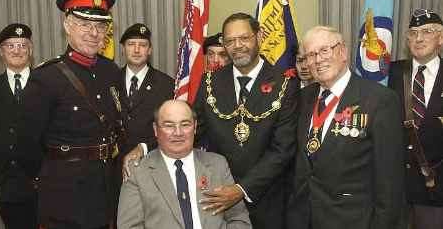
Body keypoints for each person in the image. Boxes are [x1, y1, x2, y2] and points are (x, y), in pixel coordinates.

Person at [22, 0, 124, 228]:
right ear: (67, 25)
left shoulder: (111, 71)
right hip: (63, 197)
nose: (93, 32)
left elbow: (119, 127)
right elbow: (27, 146)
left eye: (100, 25)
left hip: (106, 189)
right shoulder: (46, 78)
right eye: (84, 24)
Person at [286, 25, 406, 229]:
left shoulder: (380, 100)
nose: (317, 60)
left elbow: (390, 181)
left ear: (342, 52)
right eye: (310, 55)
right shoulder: (302, 98)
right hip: (303, 218)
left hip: (353, 220)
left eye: (324, 50)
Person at [193, 12, 299, 229]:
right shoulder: (210, 81)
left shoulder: (285, 84)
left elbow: (283, 149)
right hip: (218, 198)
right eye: (230, 41)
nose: (237, 46)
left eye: (244, 38)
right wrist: (146, 146)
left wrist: (241, 189)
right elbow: (191, 130)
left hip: (266, 200)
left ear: (259, 36)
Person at [117, 100, 251, 229]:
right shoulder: (138, 172)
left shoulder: (218, 164)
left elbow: (239, 219)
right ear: (156, 130)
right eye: (169, 125)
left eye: (185, 124)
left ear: (195, 127)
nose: (178, 132)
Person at [389, 8, 443, 229]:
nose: (419, 38)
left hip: (436, 191)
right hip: (394, 190)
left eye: (427, 31)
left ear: (440, 38)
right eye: (413, 32)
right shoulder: (390, 74)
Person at [0, 23, 41, 229]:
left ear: (30, 50)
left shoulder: (47, 84)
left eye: (22, 45)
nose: (17, 50)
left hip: (45, 184)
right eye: (11, 46)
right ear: (1, 53)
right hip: (7, 186)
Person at [118, 23, 174, 181]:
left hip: (153, 165)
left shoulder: (166, 85)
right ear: (123, 48)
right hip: (114, 169)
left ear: (150, 50)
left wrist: (144, 147)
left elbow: (171, 129)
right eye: (131, 44)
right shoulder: (109, 80)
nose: (136, 50)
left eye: (142, 45)